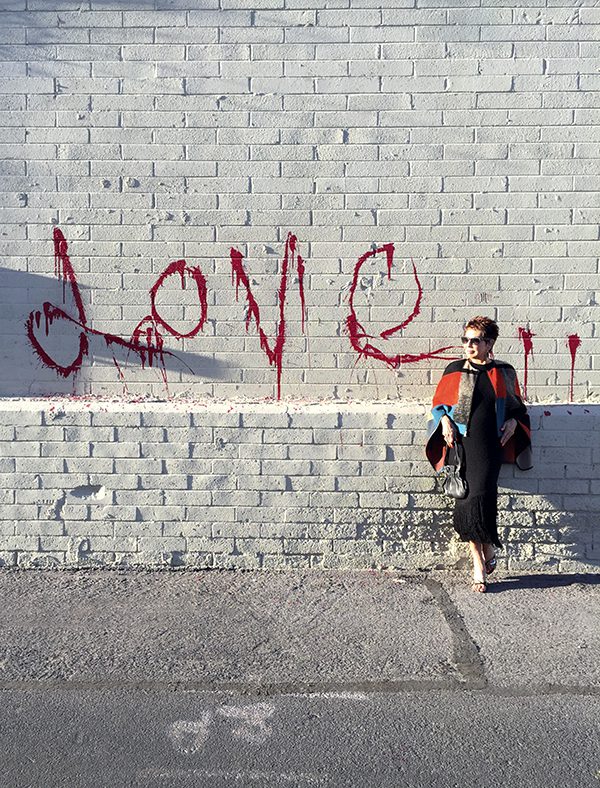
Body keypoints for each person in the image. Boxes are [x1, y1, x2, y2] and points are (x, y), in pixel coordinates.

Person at [425, 316, 533, 592]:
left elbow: (517, 406)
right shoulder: (454, 370)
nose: (469, 345)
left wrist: (512, 421)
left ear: (489, 343)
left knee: (484, 498)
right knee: (467, 500)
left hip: (490, 445)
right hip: (462, 444)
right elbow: (439, 404)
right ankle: (479, 562)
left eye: (475, 340)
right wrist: (445, 421)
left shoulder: (504, 371)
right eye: (466, 339)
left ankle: (489, 552)